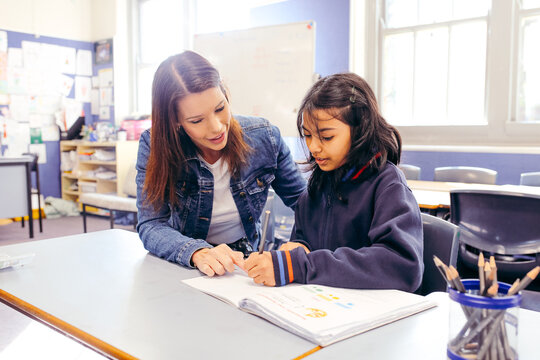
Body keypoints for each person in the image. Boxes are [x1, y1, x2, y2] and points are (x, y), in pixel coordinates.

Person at [245, 73, 423, 292]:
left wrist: (302, 265)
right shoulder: (316, 188)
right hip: (324, 307)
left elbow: (402, 266)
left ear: (360, 130)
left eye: (326, 137)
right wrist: (297, 250)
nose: (314, 147)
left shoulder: (388, 185)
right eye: (307, 135)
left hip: (372, 315)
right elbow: (306, 246)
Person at [136, 51, 306, 277]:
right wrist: (197, 252)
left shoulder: (265, 136)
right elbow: (151, 224)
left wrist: (302, 244)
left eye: (220, 108)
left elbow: (306, 205)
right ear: (175, 120)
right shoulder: (156, 145)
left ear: (225, 94)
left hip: (245, 262)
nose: (216, 127)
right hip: (186, 262)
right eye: (197, 120)